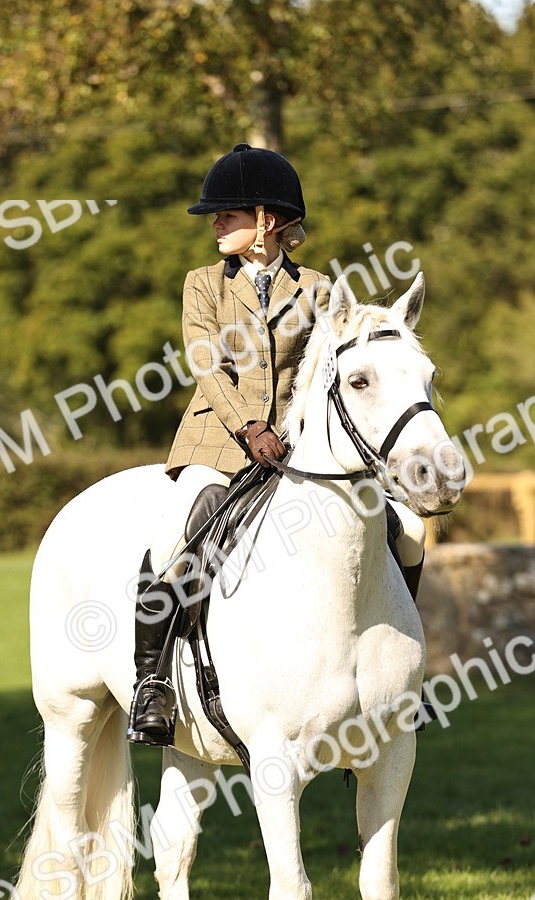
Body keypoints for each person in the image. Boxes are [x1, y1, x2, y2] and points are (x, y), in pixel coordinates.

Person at [127, 143, 427, 746]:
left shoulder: (319, 289)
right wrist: (248, 426)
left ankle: (399, 677)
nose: (216, 223)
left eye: (228, 214)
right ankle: (151, 684)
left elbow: (340, 360)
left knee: (407, 532)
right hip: (219, 436)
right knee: (174, 537)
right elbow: (206, 364)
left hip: (300, 445)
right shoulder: (202, 286)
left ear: (266, 221)